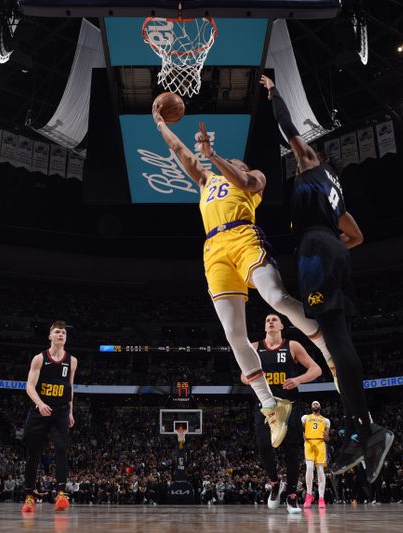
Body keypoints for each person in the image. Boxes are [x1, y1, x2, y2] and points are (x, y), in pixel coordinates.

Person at [152, 105, 338, 448]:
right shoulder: (206, 180)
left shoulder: (255, 178)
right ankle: (270, 406)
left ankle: (329, 351)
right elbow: (179, 150)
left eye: (234, 162)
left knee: (276, 297)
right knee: (234, 335)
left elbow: (243, 180)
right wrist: (160, 123)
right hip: (214, 250)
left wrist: (213, 155)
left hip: (244, 238)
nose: (232, 164)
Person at [260, 74, 393, 483]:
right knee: (339, 339)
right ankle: (357, 429)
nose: (299, 156)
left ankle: (367, 428)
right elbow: (357, 236)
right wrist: (334, 247)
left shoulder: (311, 165)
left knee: (335, 342)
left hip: (316, 249)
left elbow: (287, 127)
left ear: (314, 158)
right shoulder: (337, 191)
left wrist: (274, 93)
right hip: (333, 250)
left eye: (304, 155)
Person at [241, 313, 321, 514]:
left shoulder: (292, 345)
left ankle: (292, 495)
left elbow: (316, 369)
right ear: (264, 327)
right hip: (266, 407)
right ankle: (275, 483)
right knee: (263, 446)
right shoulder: (254, 347)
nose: (270, 321)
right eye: (267, 320)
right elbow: (243, 376)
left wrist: (298, 379)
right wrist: (254, 379)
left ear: (282, 326)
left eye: (274, 319)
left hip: (289, 405)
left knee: (291, 451)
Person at [21, 320, 77, 513]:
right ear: (50, 336)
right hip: (40, 411)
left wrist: (70, 411)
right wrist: (40, 403)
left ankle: (61, 493)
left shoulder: (72, 361)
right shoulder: (39, 358)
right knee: (33, 454)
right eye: (57, 332)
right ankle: (29, 496)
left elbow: (70, 388)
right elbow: (29, 386)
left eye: (64, 333)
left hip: (60, 411)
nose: (61, 334)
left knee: (61, 449)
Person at [302, 400, 330, 509]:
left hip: (320, 443)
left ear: (320, 407)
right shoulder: (305, 417)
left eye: (317, 403)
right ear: (311, 407)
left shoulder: (326, 420)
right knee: (309, 468)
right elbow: (300, 428)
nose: (315, 404)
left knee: (320, 470)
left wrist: (326, 436)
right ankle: (309, 495)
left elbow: (327, 438)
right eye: (313, 404)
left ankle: (321, 498)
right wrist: (302, 435)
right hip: (309, 443)